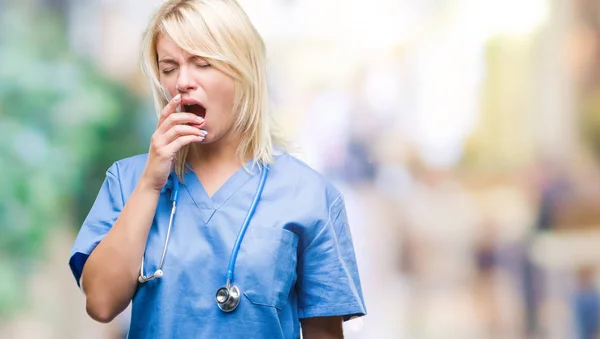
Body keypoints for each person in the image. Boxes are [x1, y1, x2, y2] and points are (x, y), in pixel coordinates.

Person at [67, 0, 366, 338]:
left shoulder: (310, 196)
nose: (182, 81)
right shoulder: (128, 181)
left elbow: (323, 332)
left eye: (202, 63)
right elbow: (101, 304)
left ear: (244, 70)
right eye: (168, 68)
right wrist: (151, 184)